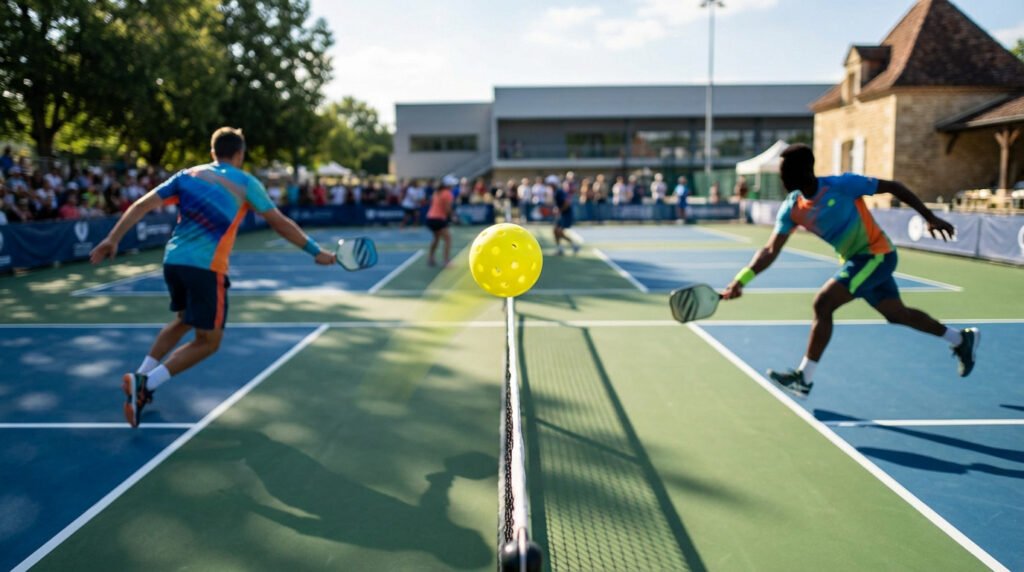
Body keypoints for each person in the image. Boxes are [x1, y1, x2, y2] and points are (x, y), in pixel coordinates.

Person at [89, 127, 336, 427]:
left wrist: (112, 239)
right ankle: (147, 384)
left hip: (173, 261)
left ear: (212, 152)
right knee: (209, 342)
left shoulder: (187, 175)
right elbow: (280, 223)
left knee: (184, 320)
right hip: (207, 267)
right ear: (240, 154)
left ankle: (140, 380)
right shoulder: (245, 183)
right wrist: (315, 251)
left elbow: (141, 205)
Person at [721, 144, 979, 398]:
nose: (782, 178)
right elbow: (770, 250)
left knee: (823, 303)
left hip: (877, 255)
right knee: (897, 314)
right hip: (856, 261)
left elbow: (894, 187)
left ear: (806, 171)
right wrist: (741, 280)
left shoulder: (842, 185)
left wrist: (929, 217)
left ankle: (804, 378)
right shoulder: (792, 208)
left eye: (785, 173)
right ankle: (960, 339)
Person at [426, 175, 456, 267]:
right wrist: (453, 216)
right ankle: (446, 261)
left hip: (430, 218)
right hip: (438, 219)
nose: (453, 186)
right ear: (449, 185)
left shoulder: (437, 192)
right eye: (452, 184)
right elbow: (447, 209)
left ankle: (430, 258)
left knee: (436, 239)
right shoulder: (448, 193)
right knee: (448, 239)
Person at [552, 177, 579, 256]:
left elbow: (566, 203)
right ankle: (560, 248)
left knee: (559, 231)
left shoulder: (559, 192)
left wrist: (560, 210)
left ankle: (574, 245)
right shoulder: (556, 192)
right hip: (562, 214)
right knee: (555, 231)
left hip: (566, 214)